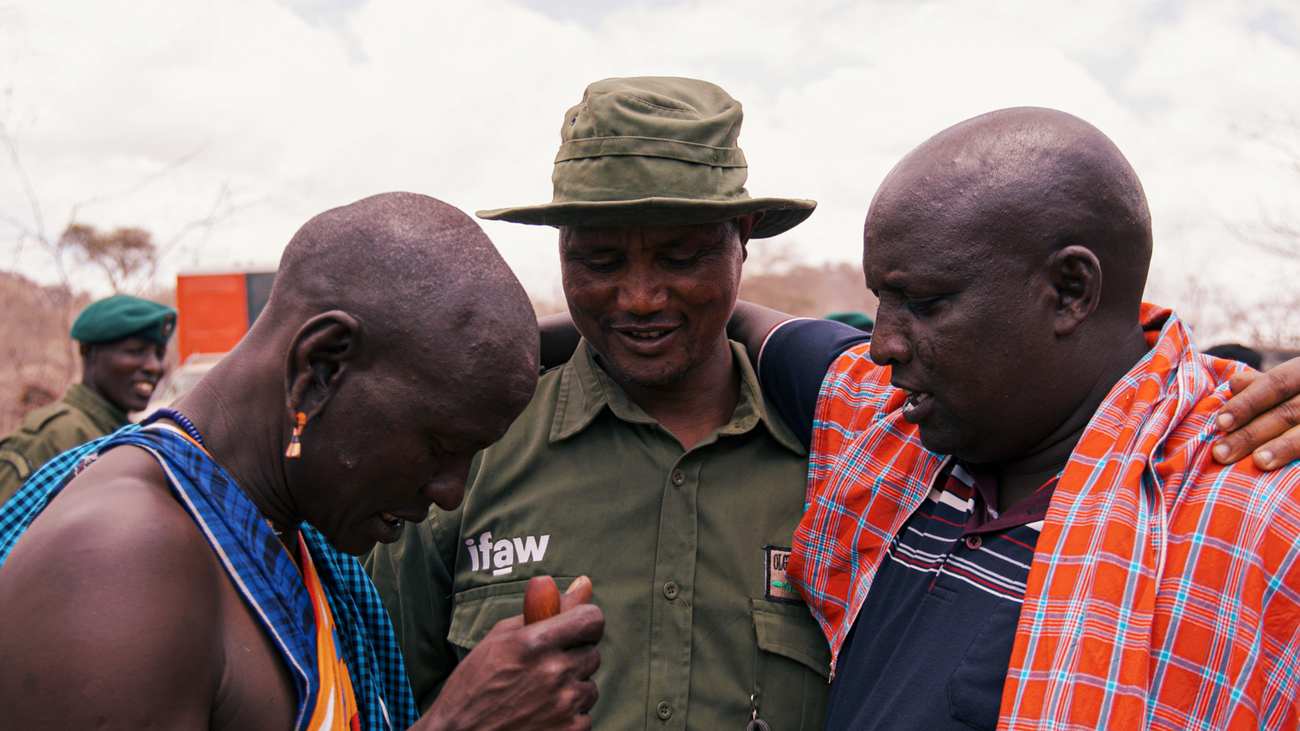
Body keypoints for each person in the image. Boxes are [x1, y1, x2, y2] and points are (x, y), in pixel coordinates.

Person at [727, 108, 1300, 729]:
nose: (882, 344)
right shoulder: (890, 425)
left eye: (923, 304)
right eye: (881, 303)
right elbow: (752, 324)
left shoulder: (1252, 506)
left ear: (1070, 290)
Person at [0, 193, 604, 731]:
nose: (451, 492)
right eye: (442, 448)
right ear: (320, 368)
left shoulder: (282, 533)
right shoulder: (120, 562)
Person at [367, 77, 833, 730]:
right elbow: (364, 703)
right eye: (600, 260)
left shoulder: (836, 465)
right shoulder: (467, 457)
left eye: (681, 256)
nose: (640, 297)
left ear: (743, 235)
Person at [0, 293, 175, 503]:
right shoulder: (50, 438)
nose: (154, 366)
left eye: (159, 354)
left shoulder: (123, 433)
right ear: (89, 352)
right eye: (135, 351)